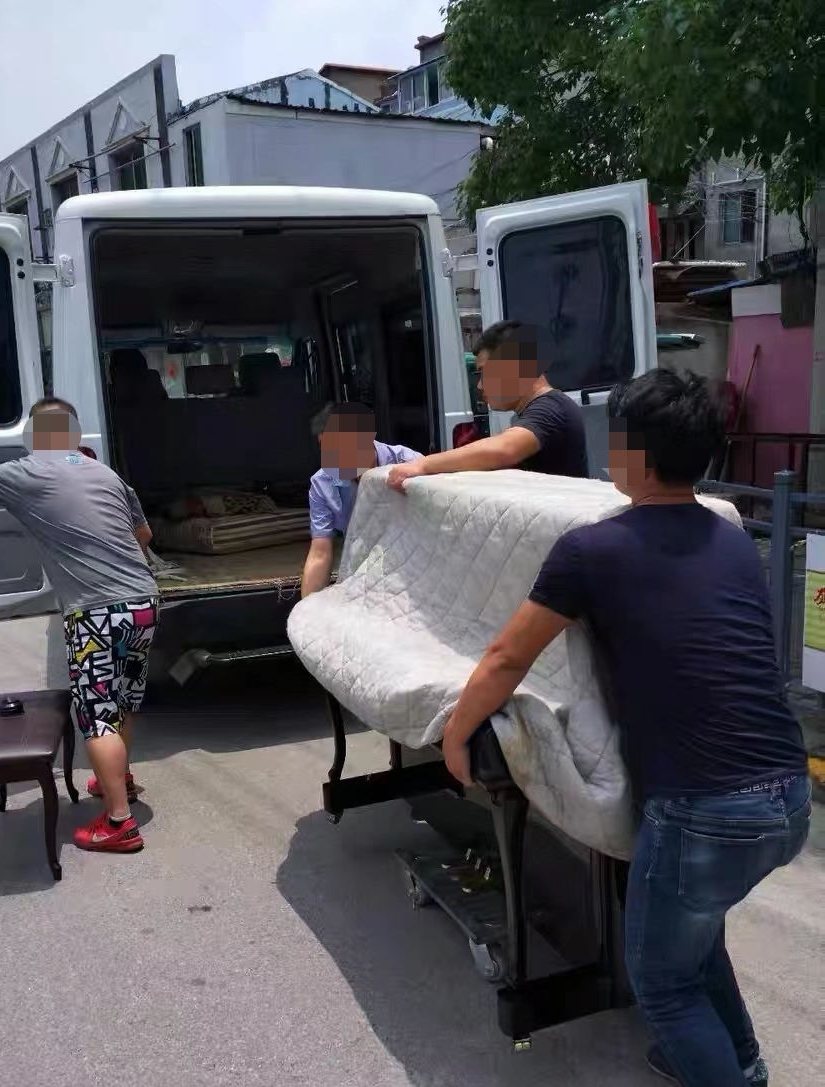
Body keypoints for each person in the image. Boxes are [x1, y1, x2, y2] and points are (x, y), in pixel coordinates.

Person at [440, 370, 810, 1087]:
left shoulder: (591, 550)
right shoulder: (734, 539)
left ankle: (721, 1068)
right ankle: (740, 1061)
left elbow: (507, 656)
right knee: (694, 936)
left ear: (634, 453)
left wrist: (456, 734)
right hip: (788, 799)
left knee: (662, 984)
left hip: (704, 812)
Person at [0, 397, 160, 854]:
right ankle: (120, 780)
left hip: (95, 611)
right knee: (122, 700)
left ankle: (120, 823)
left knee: (97, 713)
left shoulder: (27, 472)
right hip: (144, 602)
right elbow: (144, 536)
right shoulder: (105, 474)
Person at [387, 320, 587, 492]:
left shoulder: (552, 409)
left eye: (485, 372)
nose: (481, 386)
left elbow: (504, 449)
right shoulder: (537, 411)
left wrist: (422, 465)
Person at [301, 402, 421, 597]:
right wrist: (306, 607)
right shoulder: (322, 483)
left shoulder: (409, 463)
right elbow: (320, 553)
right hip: (360, 570)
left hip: (412, 563)